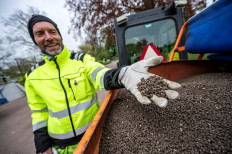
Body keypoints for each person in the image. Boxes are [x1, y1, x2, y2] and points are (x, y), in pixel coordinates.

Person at [25, 15, 181, 154]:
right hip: (61, 147)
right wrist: (43, 147)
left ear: (59, 35)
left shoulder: (81, 60)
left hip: (95, 136)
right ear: (34, 40)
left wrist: (122, 74)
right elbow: (39, 114)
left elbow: (99, 74)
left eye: (52, 31)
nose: (48, 37)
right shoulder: (32, 76)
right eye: (40, 34)